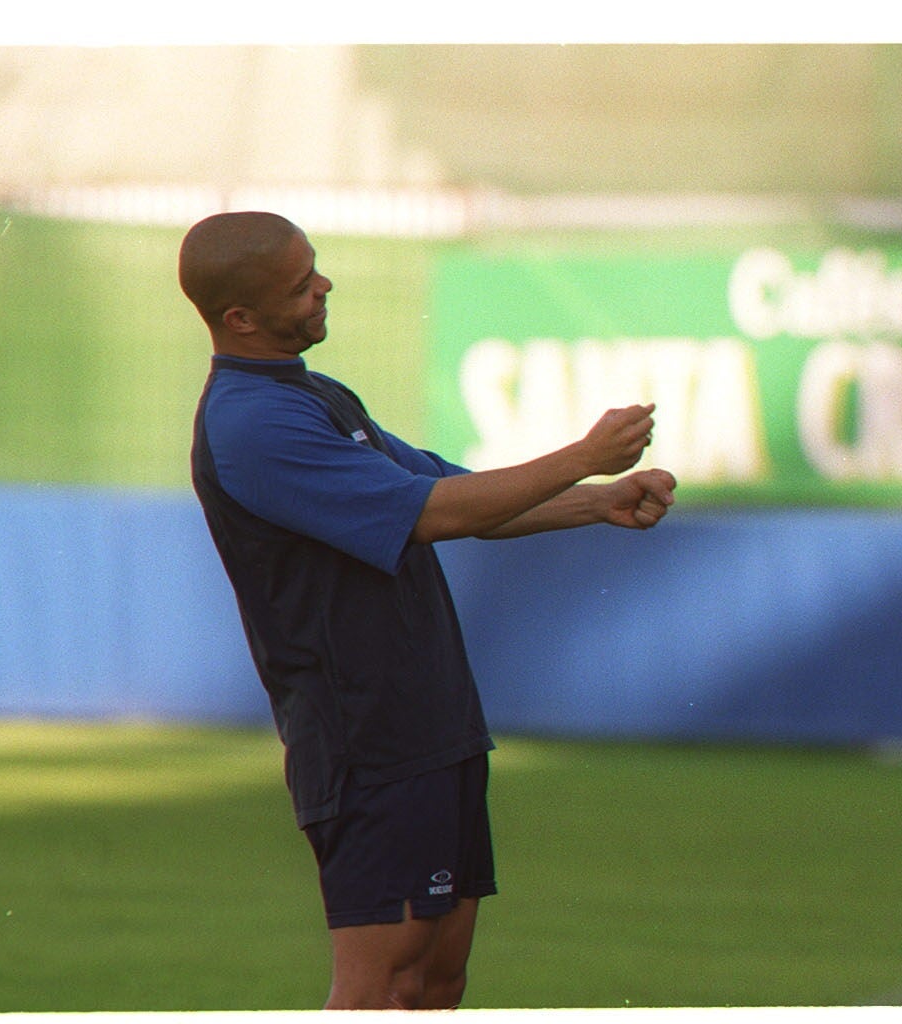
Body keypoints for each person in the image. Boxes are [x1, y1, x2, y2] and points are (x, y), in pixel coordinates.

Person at [180, 211, 677, 1010]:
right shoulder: (251, 422)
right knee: (384, 983)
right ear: (239, 318)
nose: (323, 287)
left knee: (438, 977)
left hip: (428, 720)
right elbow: (435, 515)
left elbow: (450, 494)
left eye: (317, 269)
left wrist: (595, 502)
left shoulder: (315, 396)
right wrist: (584, 457)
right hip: (365, 736)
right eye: (301, 284)